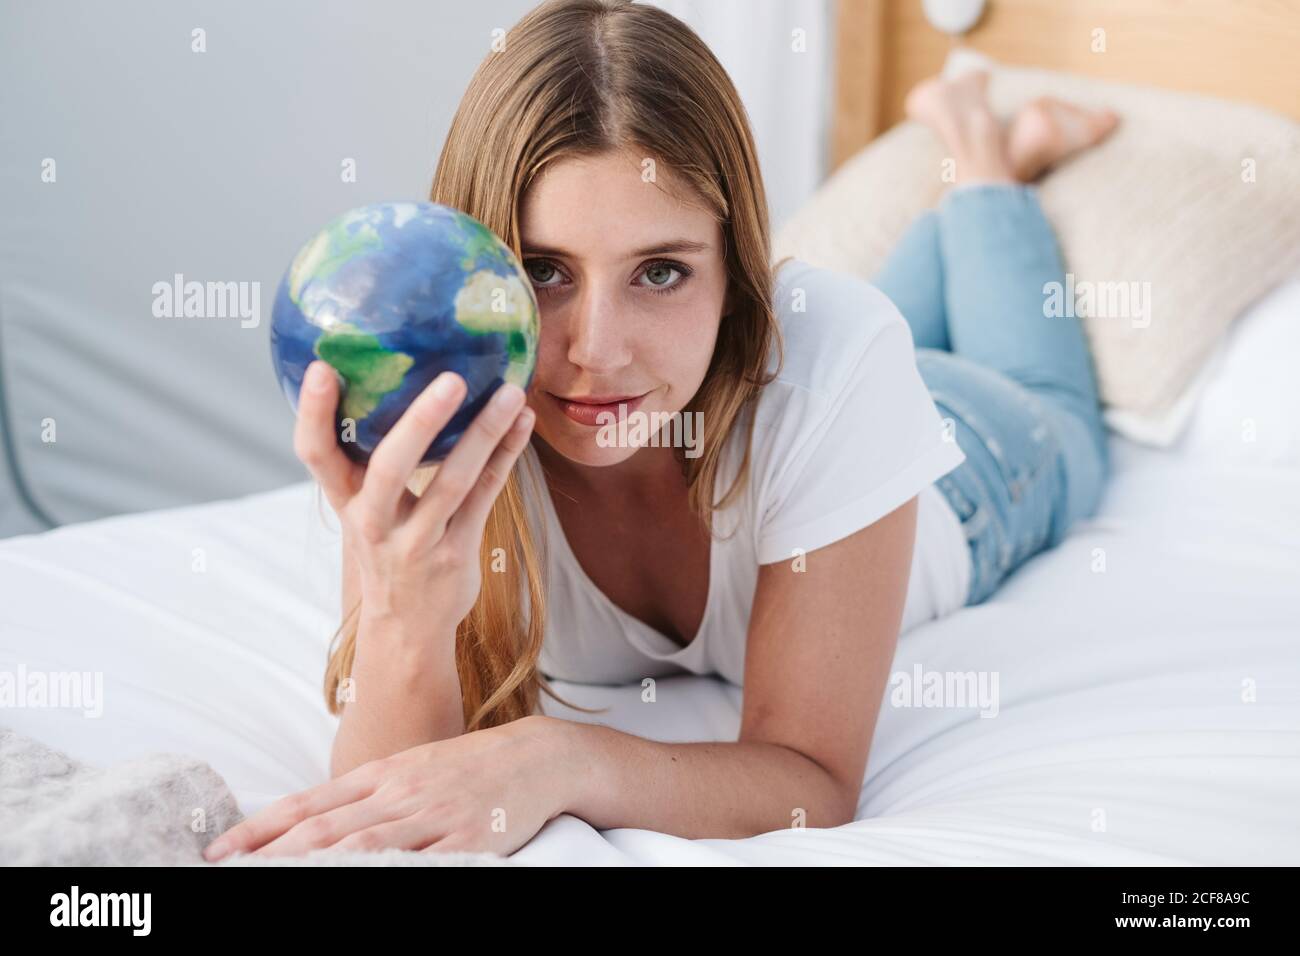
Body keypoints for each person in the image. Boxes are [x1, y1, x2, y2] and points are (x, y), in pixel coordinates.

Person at [202, 0, 1115, 862]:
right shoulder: (440, 398)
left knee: (1050, 407)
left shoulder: (840, 362)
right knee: (859, 331)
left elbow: (812, 784)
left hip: (979, 467)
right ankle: (975, 153)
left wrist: (564, 758)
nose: (595, 354)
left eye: (661, 273)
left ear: (735, 273)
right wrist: (402, 604)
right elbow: (389, 802)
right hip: (799, 382)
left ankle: (988, 160)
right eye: (545, 270)